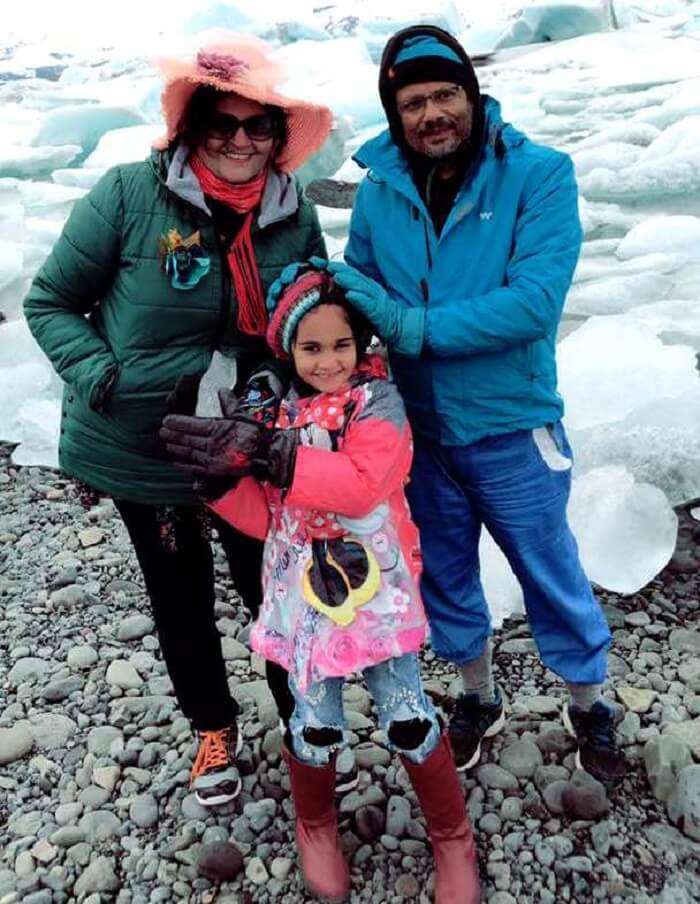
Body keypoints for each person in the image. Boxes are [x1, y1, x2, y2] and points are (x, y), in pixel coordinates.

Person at [23, 34, 333, 807]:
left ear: (277, 133)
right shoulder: (130, 195)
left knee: (274, 590)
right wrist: (105, 378)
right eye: (219, 123)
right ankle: (212, 728)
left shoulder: (293, 218)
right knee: (179, 591)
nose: (237, 140)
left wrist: (276, 403)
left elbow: (309, 325)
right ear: (190, 127)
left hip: (251, 446)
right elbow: (49, 301)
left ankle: (303, 722)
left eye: (256, 125)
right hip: (147, 448)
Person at [322, 25, 626, 784]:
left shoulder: (539, 175)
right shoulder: (381, 186)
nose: (432, 114)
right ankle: (476, 695)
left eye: (444, 94)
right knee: (445, 571)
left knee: (548, 565)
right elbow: (360, 281)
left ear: (472, 94)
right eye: (413, 101)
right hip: (416, 430)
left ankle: (589, 700)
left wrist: (409, 328)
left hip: (512, 423)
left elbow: (532, 303)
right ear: (396, 114)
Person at [160, 265, 481, 904]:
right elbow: (268, 516)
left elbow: (365, 484)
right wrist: (222, 485)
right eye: (311, 347)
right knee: (315, 719)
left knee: (408, 715)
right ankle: (316, 825)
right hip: (301, 596)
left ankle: (452, 836)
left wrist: (278, 457)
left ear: (362, 344)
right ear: (287, 349)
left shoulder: (380, 403)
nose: (329, 361)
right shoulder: (273, 409)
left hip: (377, 593)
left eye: (342, 345)